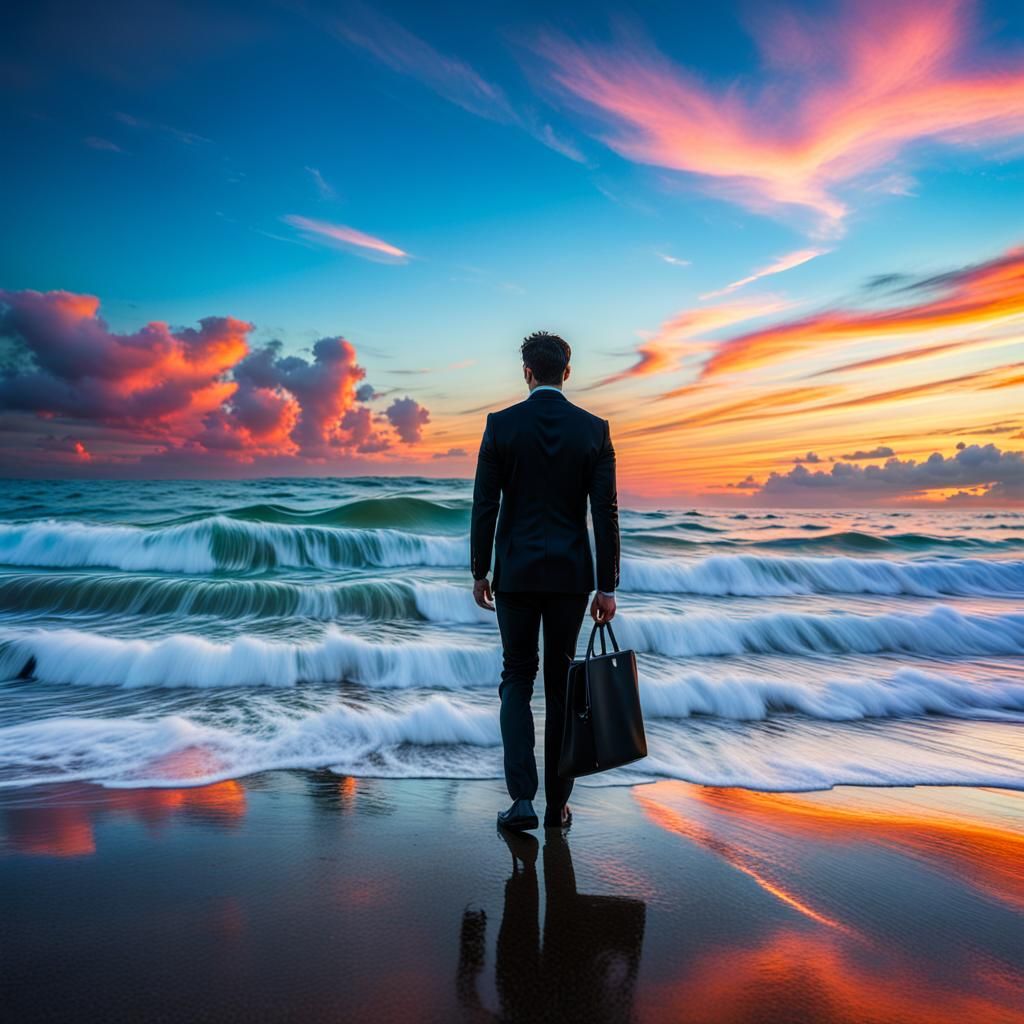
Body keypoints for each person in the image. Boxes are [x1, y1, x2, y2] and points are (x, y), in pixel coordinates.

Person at [470, 331, 620, 832]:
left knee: (516, 679)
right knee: (561, 687)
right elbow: (606, 512)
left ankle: (522, 802)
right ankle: (558, 808)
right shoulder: (593, 431)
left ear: (527, 374)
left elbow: (485, 504)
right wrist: (608, 585)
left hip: (514, 573)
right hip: (571, 578)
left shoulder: (500, 425)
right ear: (567, 373)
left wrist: (479, 570)